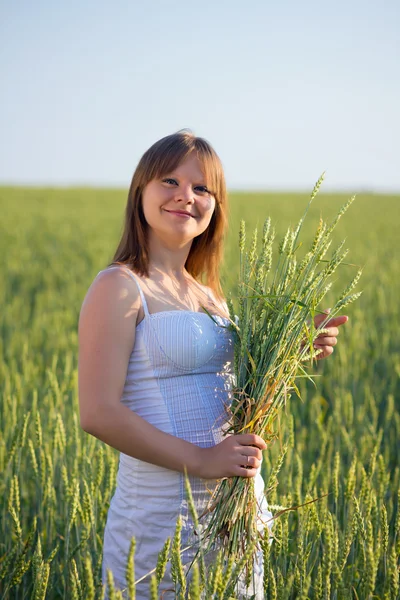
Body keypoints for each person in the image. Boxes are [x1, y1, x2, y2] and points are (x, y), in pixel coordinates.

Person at [78, 130, 348, 599]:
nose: (186, 196)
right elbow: (98, 412)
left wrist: (299, 348)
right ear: (140, 190)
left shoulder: (209, 297)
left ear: (216, 207)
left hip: (231, 520)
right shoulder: (120, 286)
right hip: (160, 523)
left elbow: (232, 392)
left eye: (203, 188)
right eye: (170, 181)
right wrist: (203, 461)